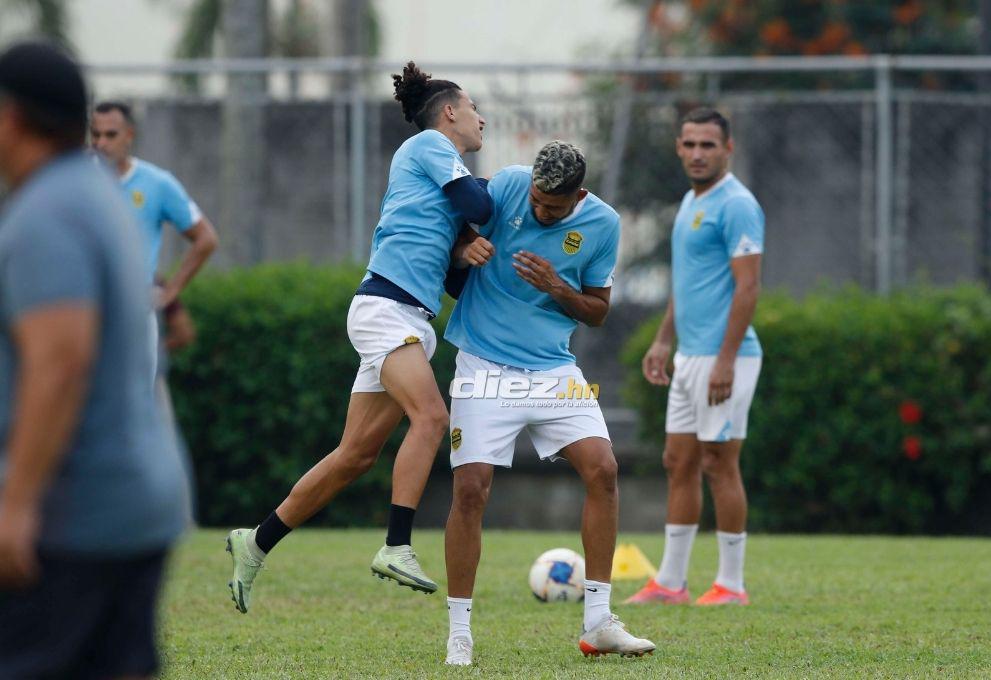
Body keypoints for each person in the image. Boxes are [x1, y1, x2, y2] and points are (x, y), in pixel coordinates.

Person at [224, 61, 491, 613]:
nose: (480, 118)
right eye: (473, 108)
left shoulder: (441, 180)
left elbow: (453, 276)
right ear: (449, 112)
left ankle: (256, 542)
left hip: (406, 316)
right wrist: (514, 195)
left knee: (355, 456)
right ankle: (396, 545)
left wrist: (464, 252)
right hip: (385, 311)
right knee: (432, 418)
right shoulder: (430, 146)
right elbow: (482, 205)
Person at [0, 41, 189, 679]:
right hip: (137, 504)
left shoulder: (45, 214)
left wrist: (16, 504)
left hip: (73, 517)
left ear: (11, 117)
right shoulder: (95, 192)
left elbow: (61, 361)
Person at [442, 141, 655, 666]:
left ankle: (598, 622)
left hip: (552, 370)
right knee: (470, 489)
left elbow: (598, 311)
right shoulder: (507, 185)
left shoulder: (603, 224)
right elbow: (451, 232)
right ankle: (459, 634)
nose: (539, 211)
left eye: (553, 208)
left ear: (578, 196)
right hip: (483, 364)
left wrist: (557, 287)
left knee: (603, 470)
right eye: (536, 201)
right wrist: (464, 249)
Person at [625, 108, 764, 607]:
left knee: (718, 462)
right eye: (690, 144)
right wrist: (664, 340)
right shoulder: (689, 201)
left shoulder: (738, 205)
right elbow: (687, 284)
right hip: (689, 356)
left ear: (728, 149)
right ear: (678, 148)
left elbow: (748, 287)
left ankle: (731, 585)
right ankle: (670, 583)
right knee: (677, 461)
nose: (698, 154)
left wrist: (725, 360)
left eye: (708, 145)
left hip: (727, 357)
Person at [90, 100, 219, 375]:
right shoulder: (77, 180)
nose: (101, 143)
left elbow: (206, 239)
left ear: (129, 135)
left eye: (110, 135)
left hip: (134, 315)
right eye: (95, 135)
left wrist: (169, 292)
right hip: (84, 310)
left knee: (132, 397)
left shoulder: (157, 183)